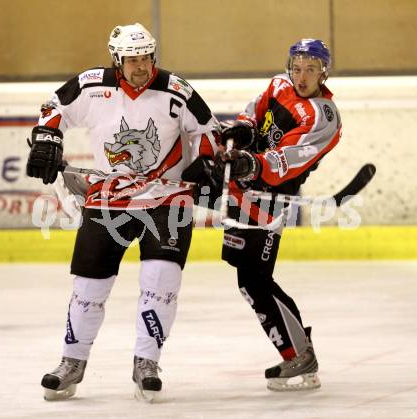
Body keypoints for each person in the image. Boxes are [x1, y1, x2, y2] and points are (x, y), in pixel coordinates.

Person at [26, 23, 219, 402]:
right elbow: (54, 107)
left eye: (147, 58)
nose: (141, 66)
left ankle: (146, 362)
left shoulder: (175, 90)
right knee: (89, 286)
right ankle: (72, 361)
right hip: (108, 199)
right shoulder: (92, 85)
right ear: (117, 60)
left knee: (161, 280)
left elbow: (208, 130)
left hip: (167, 200)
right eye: (133, 60)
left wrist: (208, 160)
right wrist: (48, 136)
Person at [185, 39, 341, 391]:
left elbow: (289, 160)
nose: (302, 76)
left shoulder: (323, 116)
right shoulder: (279, 84)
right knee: (250, 277)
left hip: (269, 198)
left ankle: (299, 354)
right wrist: (243, 129)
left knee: (253, 279)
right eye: (298, 67)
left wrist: (252, 161)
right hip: (245, 185)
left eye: (311, 70)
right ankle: (298, 354)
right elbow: (253, 115)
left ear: (324, 73)